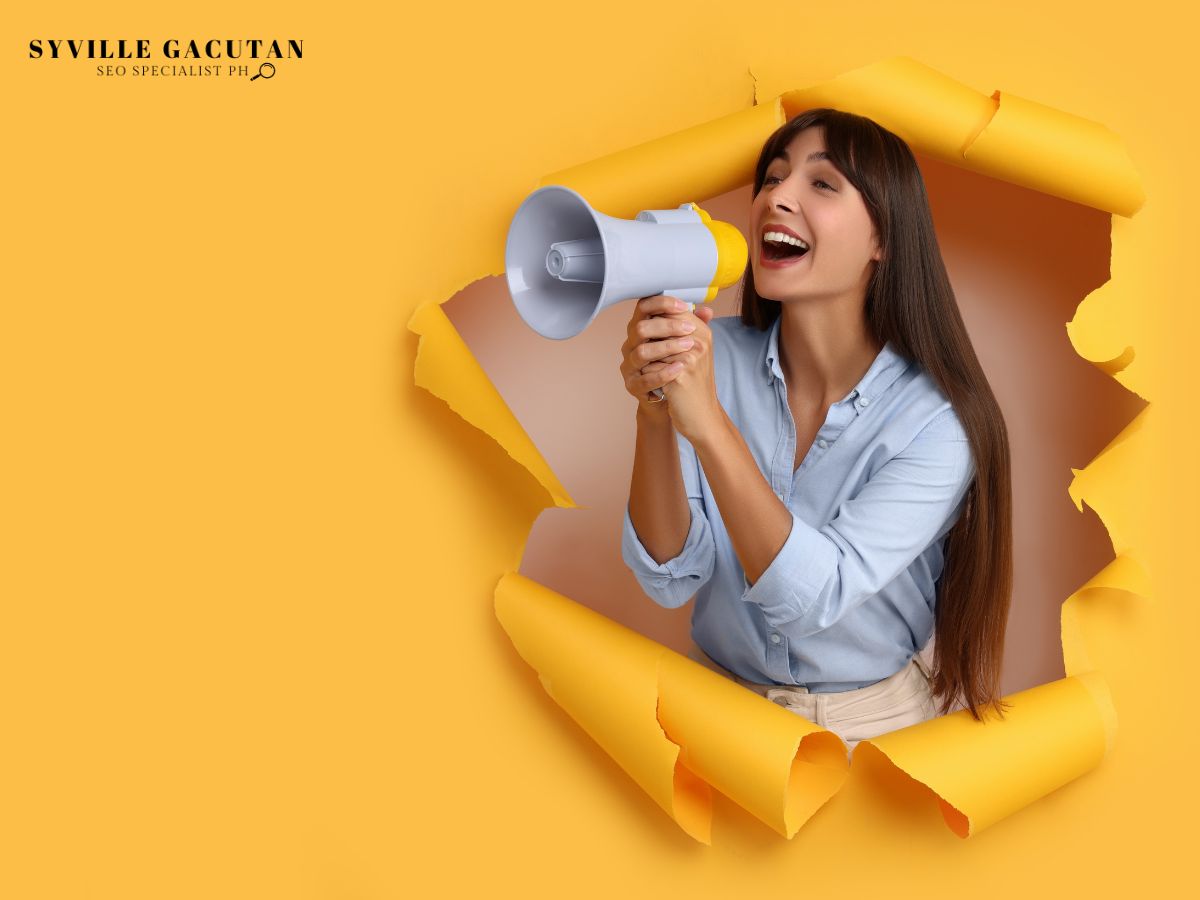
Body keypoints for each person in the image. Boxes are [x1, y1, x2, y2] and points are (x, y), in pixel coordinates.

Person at [618, 107, 1014, 755]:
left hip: (873, 735)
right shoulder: (712, 353)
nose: (778, 197)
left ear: (884, 237)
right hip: (709, 706)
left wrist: (709, 424)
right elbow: (670, 576)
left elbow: (816, 595)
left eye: (822, 184)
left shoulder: (939, 423)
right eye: (772, 178)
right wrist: (656, 413)